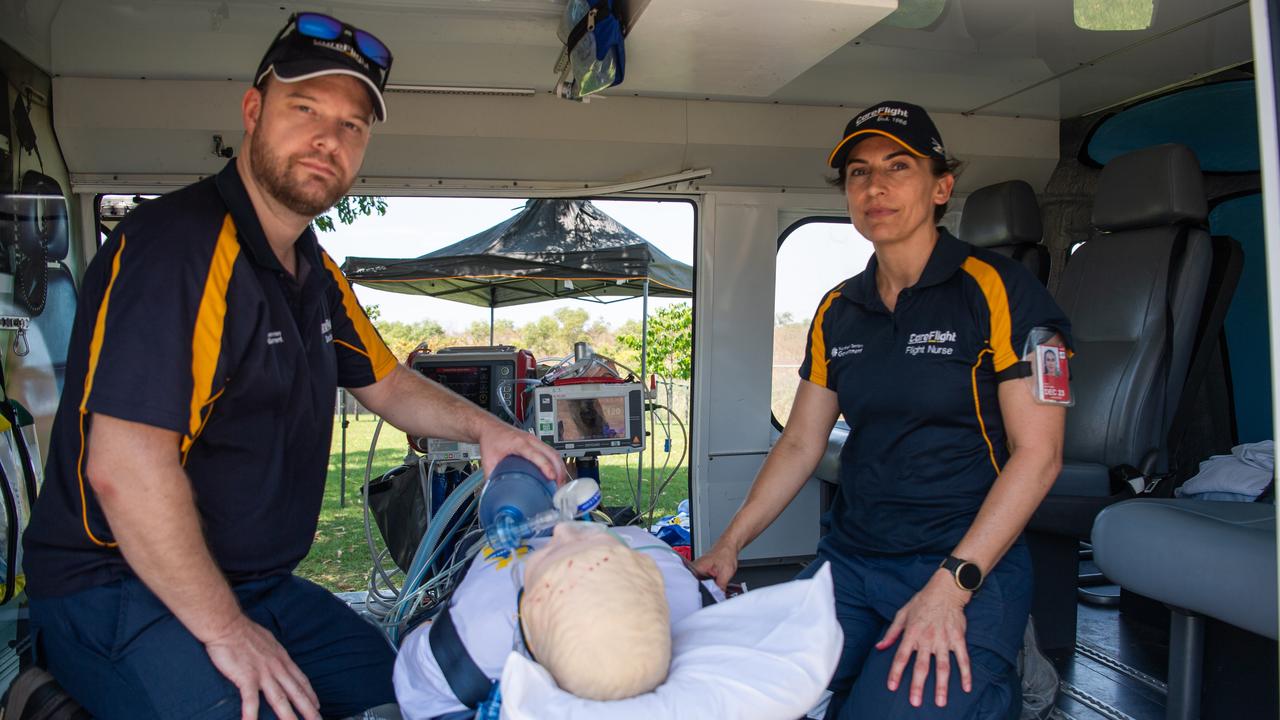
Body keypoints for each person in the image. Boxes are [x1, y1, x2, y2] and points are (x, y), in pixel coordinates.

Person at [18, 12, 564, 720]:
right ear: (253, 112)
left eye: (351, 126)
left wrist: (490, 432)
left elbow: (389, 383)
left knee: (413, 696)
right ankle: (49, 697)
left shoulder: (313, 271)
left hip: (254, 583)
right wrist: (225, 631)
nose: (326, 139)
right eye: (304, 108)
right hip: (114, 586)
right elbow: (123, 469)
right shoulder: (178, 248)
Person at [693, 101, 1072, 720]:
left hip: (960, 562)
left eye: (899, 166)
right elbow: (799, 442)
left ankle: (1007, 672)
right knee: (731, 695)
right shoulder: (839, 308)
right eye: (859, 173)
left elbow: (1041, 455)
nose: (876, 186)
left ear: (941, 186)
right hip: (850, 559)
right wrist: (730, 544)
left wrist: (951, 588)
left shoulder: (1001, 290)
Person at [393, 522, 714, 719]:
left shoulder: (479, 636)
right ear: (650, 576)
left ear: (526, 617)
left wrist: (422, 633)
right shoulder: (690, 595)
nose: (562, 529)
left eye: (553, 552)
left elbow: (418, 686)